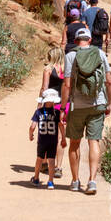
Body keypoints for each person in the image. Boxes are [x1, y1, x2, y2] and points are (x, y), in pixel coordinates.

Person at [63, 27, 111, 194]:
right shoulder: (100, 54)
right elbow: (109, 81)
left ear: (76, 41)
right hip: (97, 104)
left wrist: (63, 108)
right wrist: (108, 103)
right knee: (94, 141)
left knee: (74, 143)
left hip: (77, 106)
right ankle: (92, 181)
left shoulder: (70, 56)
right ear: (90, 40)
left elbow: (67, 85)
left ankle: (75, 181)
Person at [40, 47, 68, 179]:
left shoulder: (48, 70)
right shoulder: (66, 70)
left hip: (50, 105)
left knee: (49, 134)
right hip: (64, 105)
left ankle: (45, 162)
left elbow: (44, 88)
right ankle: (59, 167)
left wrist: (40, 104)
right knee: (61, 136)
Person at [29, 89, 62, 188]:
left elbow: (32, 126)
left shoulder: (38, 112)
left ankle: (36, 178)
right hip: (53, 140)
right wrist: (63, 138)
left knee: (39, 158)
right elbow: (61, 126)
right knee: (51, 160)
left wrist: (30, 134)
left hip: (42, 140)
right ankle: (50, 182)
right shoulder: (56, 112)